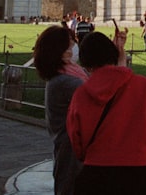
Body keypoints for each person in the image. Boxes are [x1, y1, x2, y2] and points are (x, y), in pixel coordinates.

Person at [66, 30, 146, 194]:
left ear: (85, 63)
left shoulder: (81, 94)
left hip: (94, 175)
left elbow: (77, 143)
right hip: (136, 176)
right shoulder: (143, 87)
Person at [33, 25, 88, 195]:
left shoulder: (62, 74)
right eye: (70, 45)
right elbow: (99, 96)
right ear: (59, 50)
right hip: (73, 151)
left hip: (67, 146)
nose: (74, 49)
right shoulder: (67, 81)